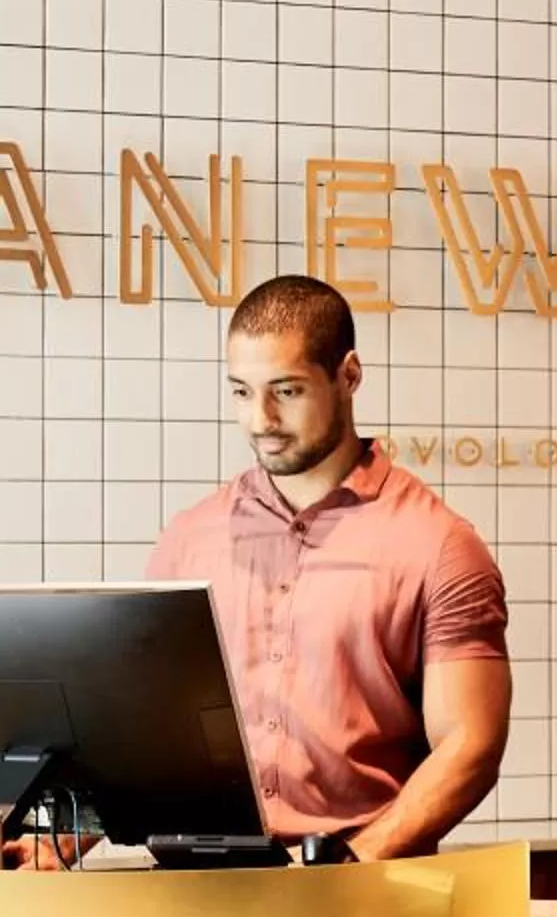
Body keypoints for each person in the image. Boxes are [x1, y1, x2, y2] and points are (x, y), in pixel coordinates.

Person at [146, 274, 512, 859]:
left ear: (348, 376)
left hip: (365, 895)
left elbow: (471, 744)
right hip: (198, 888)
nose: (260, 419)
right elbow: (145, 726)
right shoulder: (189, 539)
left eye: (286, 391)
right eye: (241, 392)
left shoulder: (439, 545)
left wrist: (353, 865)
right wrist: (70, 834)